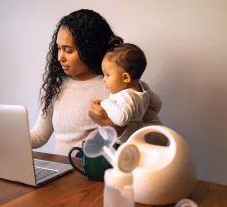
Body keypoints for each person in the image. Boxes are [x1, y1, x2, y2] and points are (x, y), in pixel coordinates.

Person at [30, 9, 162, 156]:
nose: (60, 57)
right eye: (59, 49)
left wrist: (112, 126)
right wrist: (6, 138)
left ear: (88, 49)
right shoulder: (56, 87)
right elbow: (39, 136)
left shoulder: (118, 86)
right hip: (61, 173)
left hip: (94, 175)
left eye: (68, 50)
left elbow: (159, 138)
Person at [99, 40, 162, 145]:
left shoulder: (125, 96)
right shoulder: (143, 86)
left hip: (128, 140)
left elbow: (121, 119)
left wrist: (105, 103)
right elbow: (157, 103)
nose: (104, 79)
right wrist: (145, 113)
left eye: (107, 75)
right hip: (139, 134)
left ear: (125, 77)